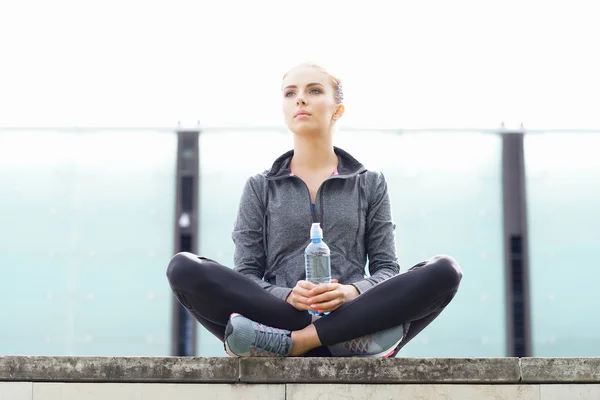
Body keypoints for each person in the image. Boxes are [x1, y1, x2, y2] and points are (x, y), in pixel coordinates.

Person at [166, 63, 463, 358]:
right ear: (284, 109)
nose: (300, 99)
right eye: (290, 93)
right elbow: (246, 274)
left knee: (445, 271)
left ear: (337, 109)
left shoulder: (370, 183)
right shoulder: (260, 186)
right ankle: (324, 339)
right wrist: (287, 296)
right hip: (281, 316)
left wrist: (352, 292)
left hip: (351, 315)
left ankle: (297, 343)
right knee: (183, 268)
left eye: (314, 90)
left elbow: (386, 269)